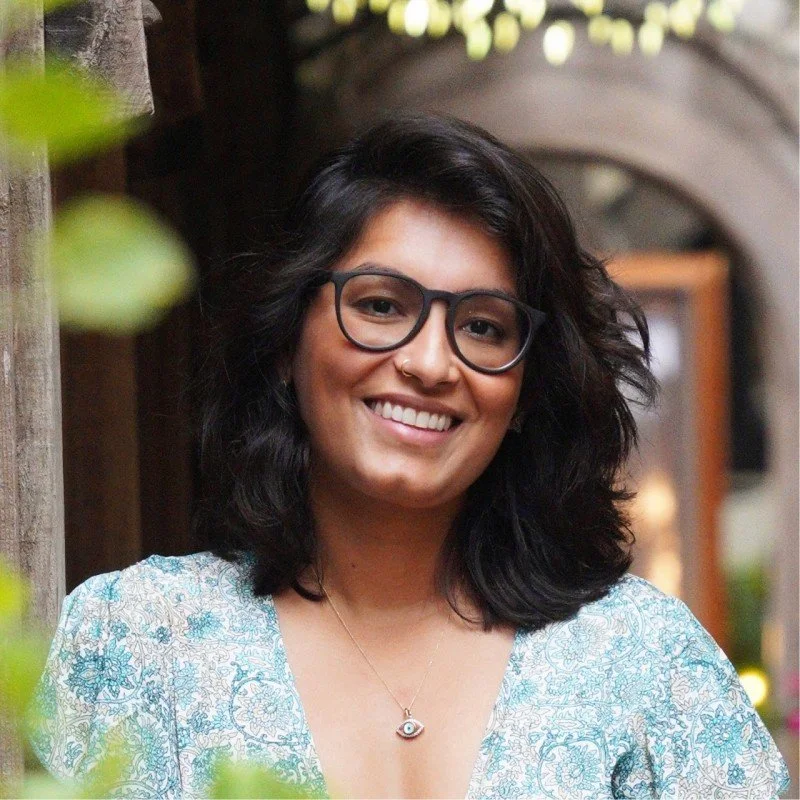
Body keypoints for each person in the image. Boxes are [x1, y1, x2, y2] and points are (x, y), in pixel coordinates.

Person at [32, 114, 789, 799]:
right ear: (284, 347)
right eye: (381, 306)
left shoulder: (645, 662)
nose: (431, 363)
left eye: (485, 327)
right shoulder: (136, 640)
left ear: (527, 391)